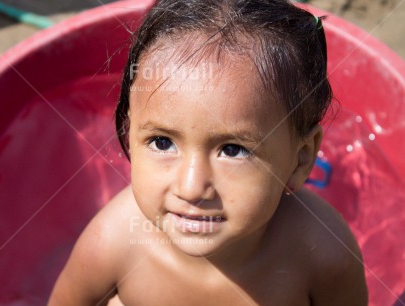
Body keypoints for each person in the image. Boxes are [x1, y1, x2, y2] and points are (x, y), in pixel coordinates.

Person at [48, 0, 368, 305]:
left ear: (300, 159)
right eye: (162, 142)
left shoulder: (322, 254)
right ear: (129, 135)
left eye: (232, 150)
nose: (191, 187)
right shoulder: (112, 244)